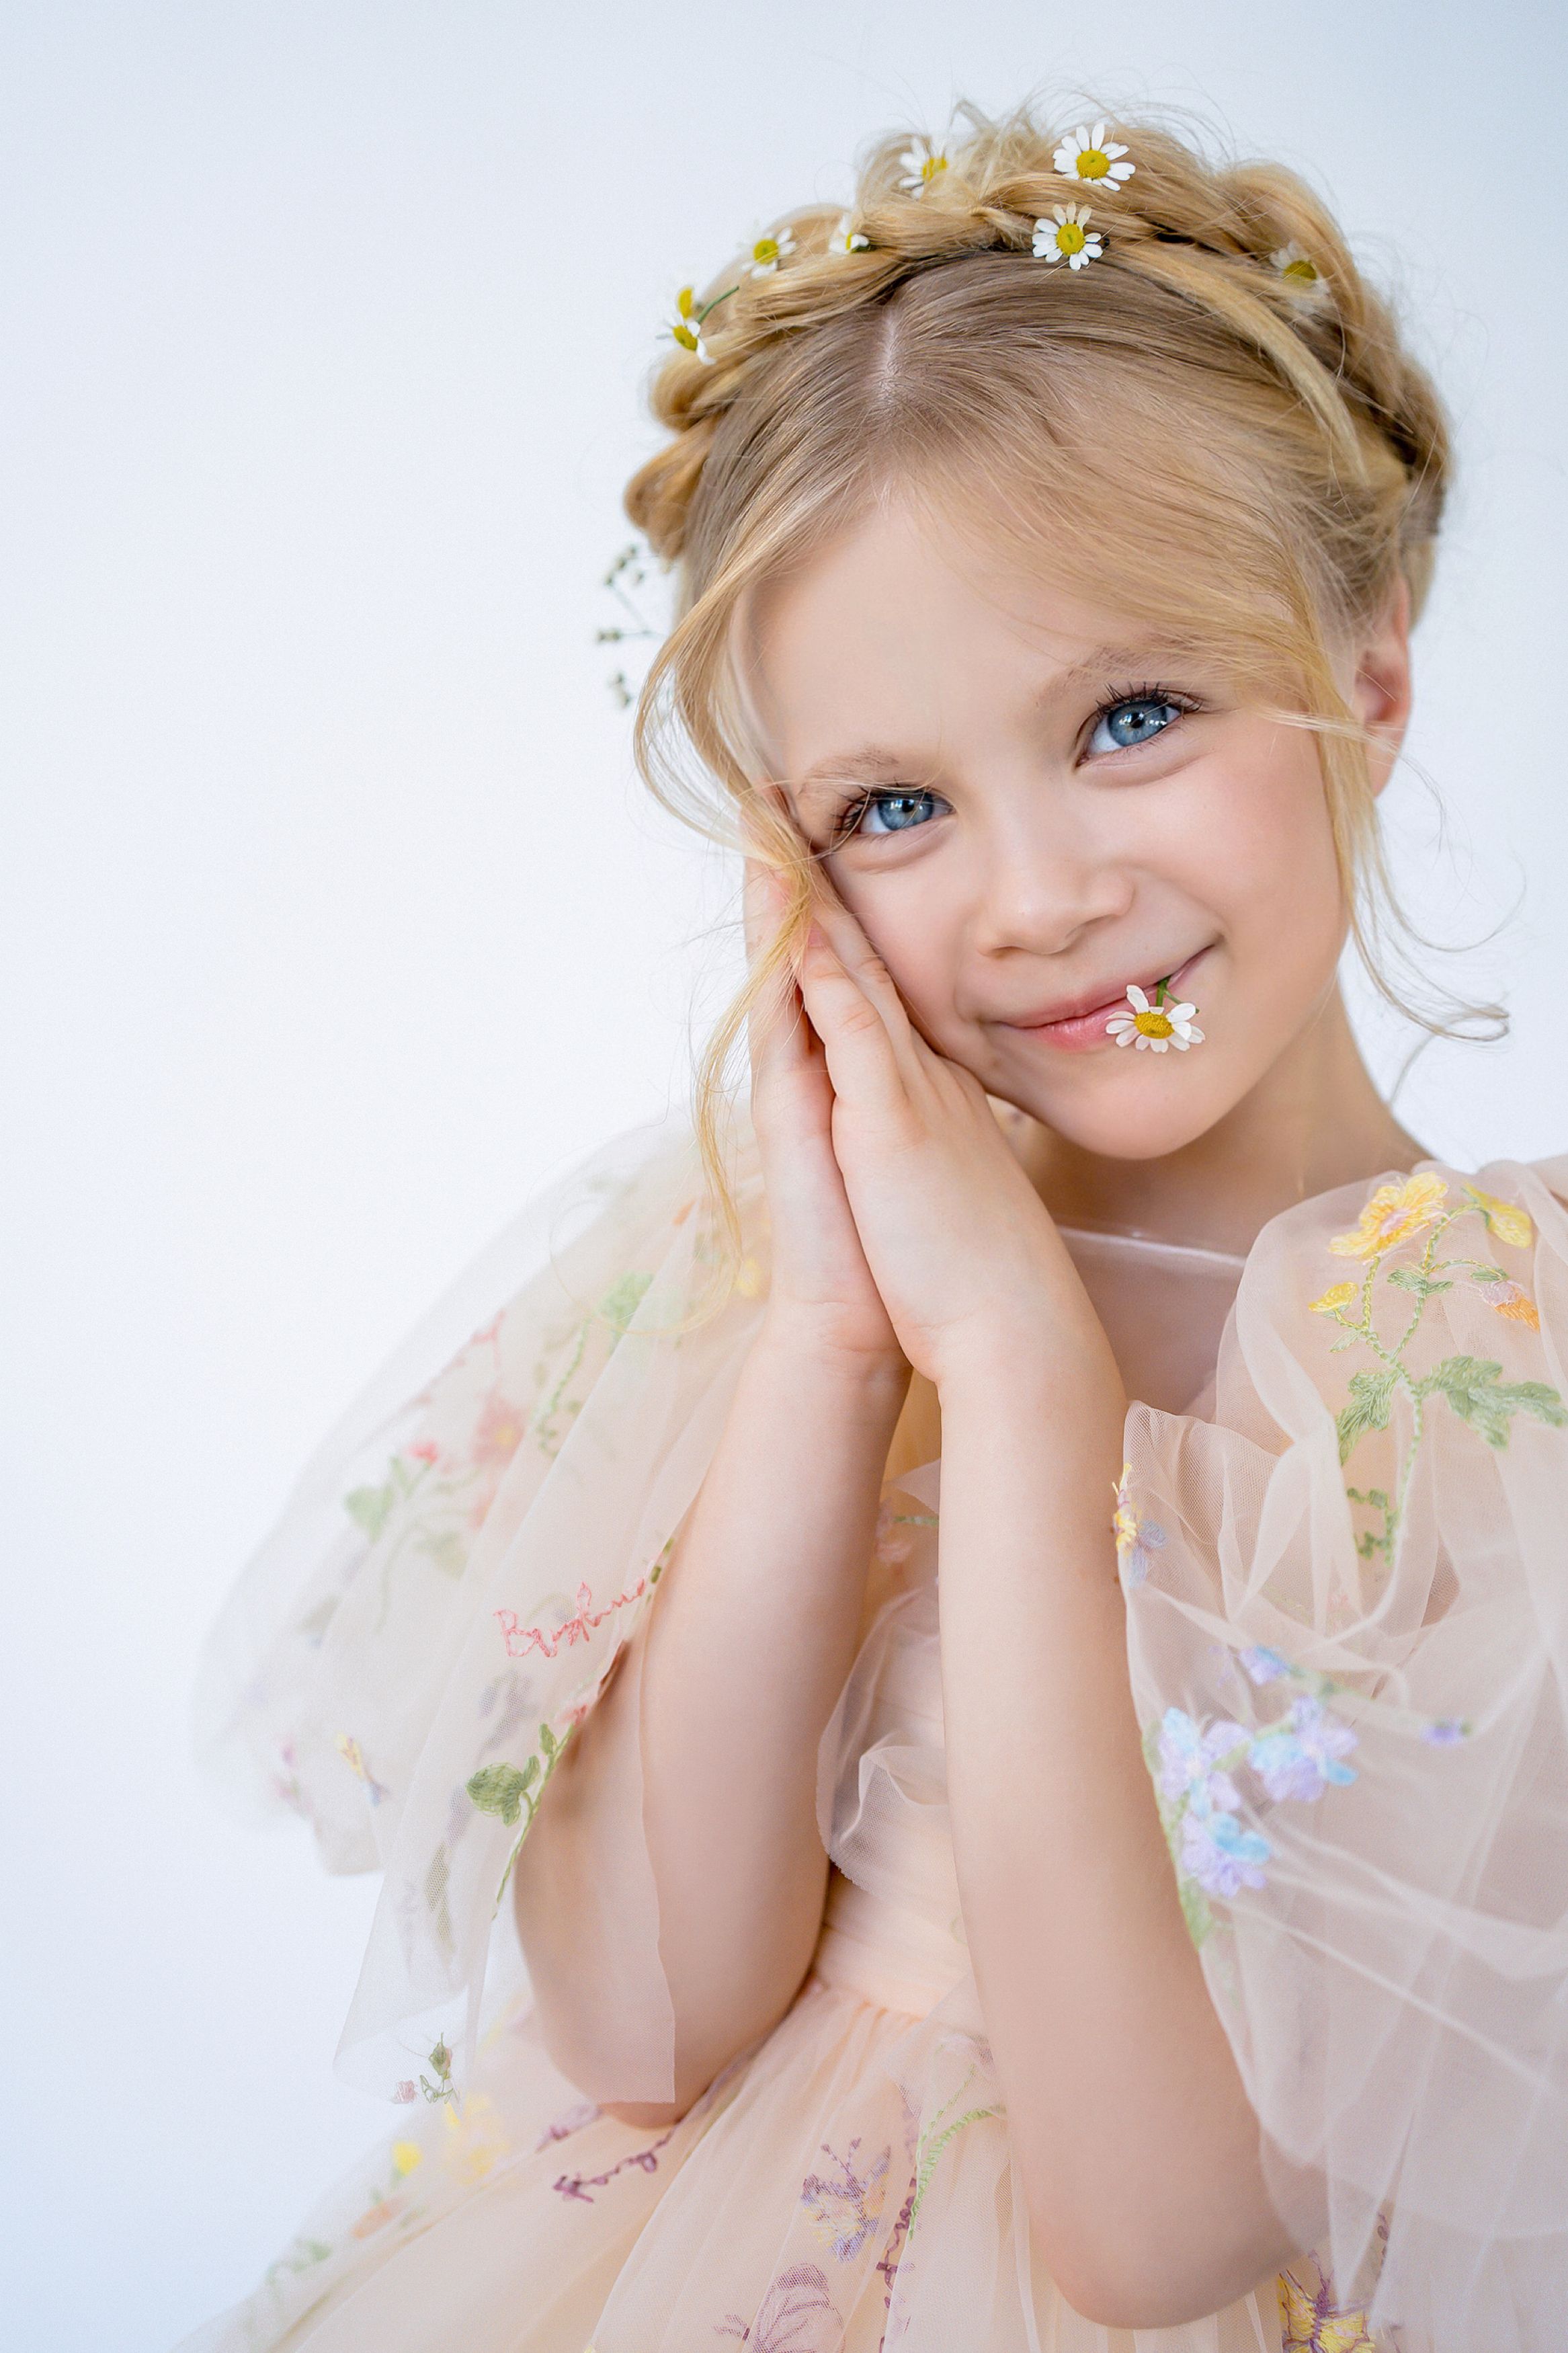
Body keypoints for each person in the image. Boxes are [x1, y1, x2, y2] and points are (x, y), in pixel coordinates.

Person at [180, 102, 1568, 2353]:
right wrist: (838, 1350)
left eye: (1133, 714)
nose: (1040, 897)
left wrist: (1023, 1373)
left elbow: (1154, 2229)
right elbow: (642, 2019)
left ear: (1373, 665)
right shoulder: (793, 1272)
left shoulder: (1502, 1373)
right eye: (898, 804)